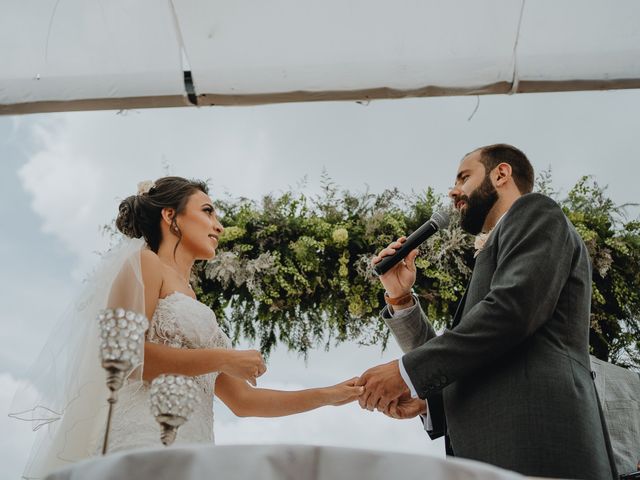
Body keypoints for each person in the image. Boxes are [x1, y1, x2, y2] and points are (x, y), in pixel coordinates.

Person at [11, 176, 362, 479]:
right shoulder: (144, 264)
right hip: (142, 443)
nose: (219, 225)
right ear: (171, 216)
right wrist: (223, 358)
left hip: (192, 449)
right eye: (207, 211)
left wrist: (330, 395)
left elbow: (244, 400)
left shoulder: (193, 299)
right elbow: (123, 358)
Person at [356, 144, 618, 480]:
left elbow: (510, 313)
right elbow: (475, 351)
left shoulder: (536, 212)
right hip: (493, 454)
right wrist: (400, 297)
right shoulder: (493, 252)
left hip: (538, 445)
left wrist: (407, 373)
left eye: (464, 177)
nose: (453, 191)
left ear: (501, 173)